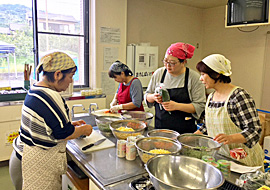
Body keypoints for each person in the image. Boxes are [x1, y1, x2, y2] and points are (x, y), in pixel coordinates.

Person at [9, 51, 93, 190]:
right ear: (58, 74)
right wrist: (84, 130)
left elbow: (46, 124)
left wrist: (70, 125)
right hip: (32, 165)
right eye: (70, 76)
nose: (71, 81)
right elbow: (62, 133)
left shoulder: (36, 88)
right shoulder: (50, 95)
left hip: (20, 158)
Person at [195, 54, 264, 167]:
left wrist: (230, 138)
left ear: (216, 74)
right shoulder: (211, 97)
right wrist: (189, 138)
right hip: (222, 159)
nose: (200, 78)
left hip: (244, 162)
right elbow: (208, 126)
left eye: (203, 74)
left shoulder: (239, 96)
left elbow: (254, 131)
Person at [145, 42, 206, 134]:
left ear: (183, 62)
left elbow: (200, 105)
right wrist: (153, 97)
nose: (167, 66)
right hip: (161, 128)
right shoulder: (159, 73)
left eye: (172, 63)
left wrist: (176, 106)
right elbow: (147, 95)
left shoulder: (193, 78)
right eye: (165, 61)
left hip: (184, 130)